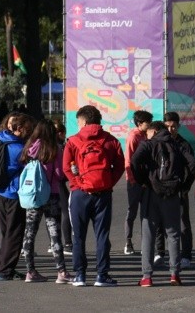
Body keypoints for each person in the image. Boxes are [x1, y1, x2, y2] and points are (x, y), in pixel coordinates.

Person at [63, 105, 125, 287]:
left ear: (83, 121)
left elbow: (67, 167)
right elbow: (120, 165)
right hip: (103, 194)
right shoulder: (110, 140)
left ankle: (80, 275)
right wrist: (108, 182)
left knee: (78, 236)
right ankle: (102, 275)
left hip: (79, 194)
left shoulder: (73, 141)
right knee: (102, 235)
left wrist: (77, 183)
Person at [131, 121, 195, 287]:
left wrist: (142, 180)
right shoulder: (176, 145)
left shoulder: (148, 144)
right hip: (172, 193)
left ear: (153, 131)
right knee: (173, 234)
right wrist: (183, 186)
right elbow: (193, 164)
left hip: (151, 192)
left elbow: (134, 160)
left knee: (148, 234)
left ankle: (147, 276)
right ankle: (174, 273)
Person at [19, 120, 73, 284]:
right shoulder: (55, 148)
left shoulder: (29, 148)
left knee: (29, 233)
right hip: (51, 194)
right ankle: (61, 272)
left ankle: (30, 271)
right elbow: (59, 173)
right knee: (54, 234)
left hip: (33, 195)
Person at [0, 113, 36, 281]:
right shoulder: (18, 149)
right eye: (28, 129)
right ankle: (5, 270)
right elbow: (32, 162)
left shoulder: (0, 140)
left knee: (7, 232)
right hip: (14, 193)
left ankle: (0, 264)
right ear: (19, 129)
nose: (30, 132)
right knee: (15, 234)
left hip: (1, 192)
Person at [163, 111, 195, 269]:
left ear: (178, 126)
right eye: (168, 126)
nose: (171, 129)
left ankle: (186, 255)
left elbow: (193, 166)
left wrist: (185, 186)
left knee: (183, 223)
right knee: (165, 224)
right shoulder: (161, 143)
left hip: (179, 190)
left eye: (173, 126)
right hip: (164, 191)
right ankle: (166, 253)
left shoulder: (183, 145)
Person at [123, 110, 153, 256]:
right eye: (148, 122)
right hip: (135, 181)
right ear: (140, 123)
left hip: (146, 181)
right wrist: (133, 180)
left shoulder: (147, 135)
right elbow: (128, 160)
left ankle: (145, 243)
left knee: (146, 213)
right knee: (132, 211)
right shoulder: (133, 136)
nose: (150, 124)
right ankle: (128, 242)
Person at [53, 121, 72, 256]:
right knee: (66, 212)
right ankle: (67, 243)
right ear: (60, 133)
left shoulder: (44, 145)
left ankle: (53, 242)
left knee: (52, 215)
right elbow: (62, 169)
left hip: (48, 183)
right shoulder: (60, 147)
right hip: (58, 182)